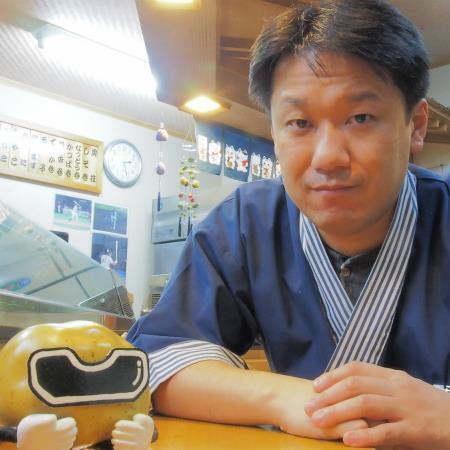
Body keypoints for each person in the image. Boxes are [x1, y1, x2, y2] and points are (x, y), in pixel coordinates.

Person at [127, 0, 450, 448]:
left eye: (360, 118)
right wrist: (290, 400)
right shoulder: (246, 222)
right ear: (275, 133)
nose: (328, 157)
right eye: (299, 123)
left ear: (416, 125)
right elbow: (159, 362)